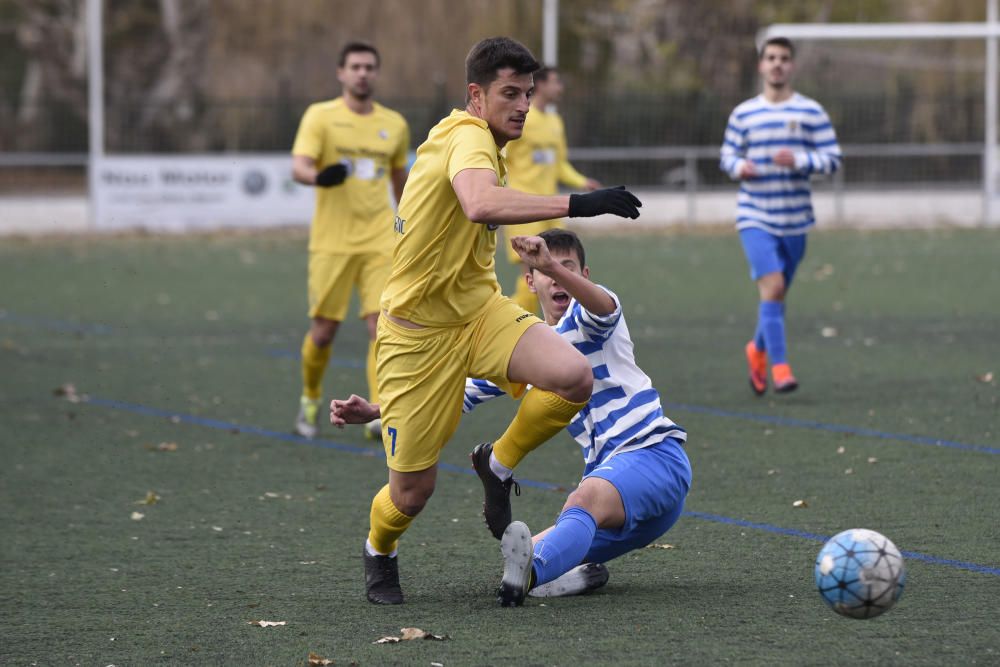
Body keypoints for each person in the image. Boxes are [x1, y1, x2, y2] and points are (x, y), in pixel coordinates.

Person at [358, 36, 642, 605]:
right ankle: (379, 551)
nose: (522, 105)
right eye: (509, 93)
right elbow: (480, 204)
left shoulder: (484, 138)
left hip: (480, 312)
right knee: (411, 494)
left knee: (572, 376)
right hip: (416, 336)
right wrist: (580, 203)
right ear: (475, 96)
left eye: (528, 94)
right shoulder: (465, 137)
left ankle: (498, 463)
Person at [331, 229, 691, 607]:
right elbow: (457, 392)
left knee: (578, 506)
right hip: (627, 495)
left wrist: (549, 262)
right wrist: (377, 410)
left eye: (567, 267)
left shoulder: (592, 316)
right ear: (530, 281)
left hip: (654, 457)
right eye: (545, 271)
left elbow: (605, 306)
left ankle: (526, 553)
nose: (556, 276)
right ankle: (570, 577)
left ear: (584, 275)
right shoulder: (525, 351)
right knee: (526, 551)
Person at [290, 41, 410, 440]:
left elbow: (401, 183)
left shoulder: (393, 123)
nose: (363, 73)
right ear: (341, 73)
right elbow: (300, 166)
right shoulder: (320, 117)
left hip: (380, 241)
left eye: (369, 67)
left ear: (377, 73)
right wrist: (318, 177)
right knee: (323, 332)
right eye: (355, 67)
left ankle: (377, 414)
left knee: (382, 327)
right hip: (333, 243)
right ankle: (310, 397)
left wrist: (416, 222)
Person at [720, 36, 842, 395]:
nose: (777, 64)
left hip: (796, 220)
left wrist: (802, 161)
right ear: (761, 65)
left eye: (784, 58)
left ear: (791, 66)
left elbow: (833, 158)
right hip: (755, 215)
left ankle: (756, 349)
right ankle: (781, 367)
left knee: (775, 295)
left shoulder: (810, 112)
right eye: (771, 57)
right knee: (772, 287)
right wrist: (741, 166)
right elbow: (726, 157)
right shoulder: (744, 113)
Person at [503, 66, 600, 314]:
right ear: (542, 84)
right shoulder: (521, 118)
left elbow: (559, 164)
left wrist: (580, 181)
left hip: (552, 210)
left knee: (560, 272)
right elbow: (503, 158)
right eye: (556, 82)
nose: (560, 88)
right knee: (531, 275)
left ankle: (552, 327)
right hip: (523, 209)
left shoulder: (555, 122)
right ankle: (515, 325)